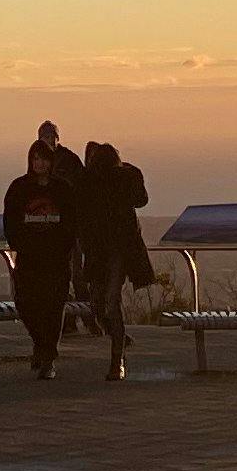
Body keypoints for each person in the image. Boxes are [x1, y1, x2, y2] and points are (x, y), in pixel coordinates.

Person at [72, 138, 152, 383]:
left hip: (115, 250)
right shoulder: (92, 183)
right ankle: (119, 346)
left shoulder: (116, 180)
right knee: (100, 302)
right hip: (99, 251)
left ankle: (117, 359)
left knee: (109, 300)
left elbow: (139, 199)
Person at [2, 137, 80, 378]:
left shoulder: (62, 189)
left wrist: (65, 248)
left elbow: (72, 223)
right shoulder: (19, 188)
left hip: (56, 259)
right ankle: (40, 344)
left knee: (54, 307)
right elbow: (10, 221)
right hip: (29, 258)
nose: (40, 164)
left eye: (44, 159)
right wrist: (19, 245)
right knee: (25, 304)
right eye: (35, 159)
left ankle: (48, 359)